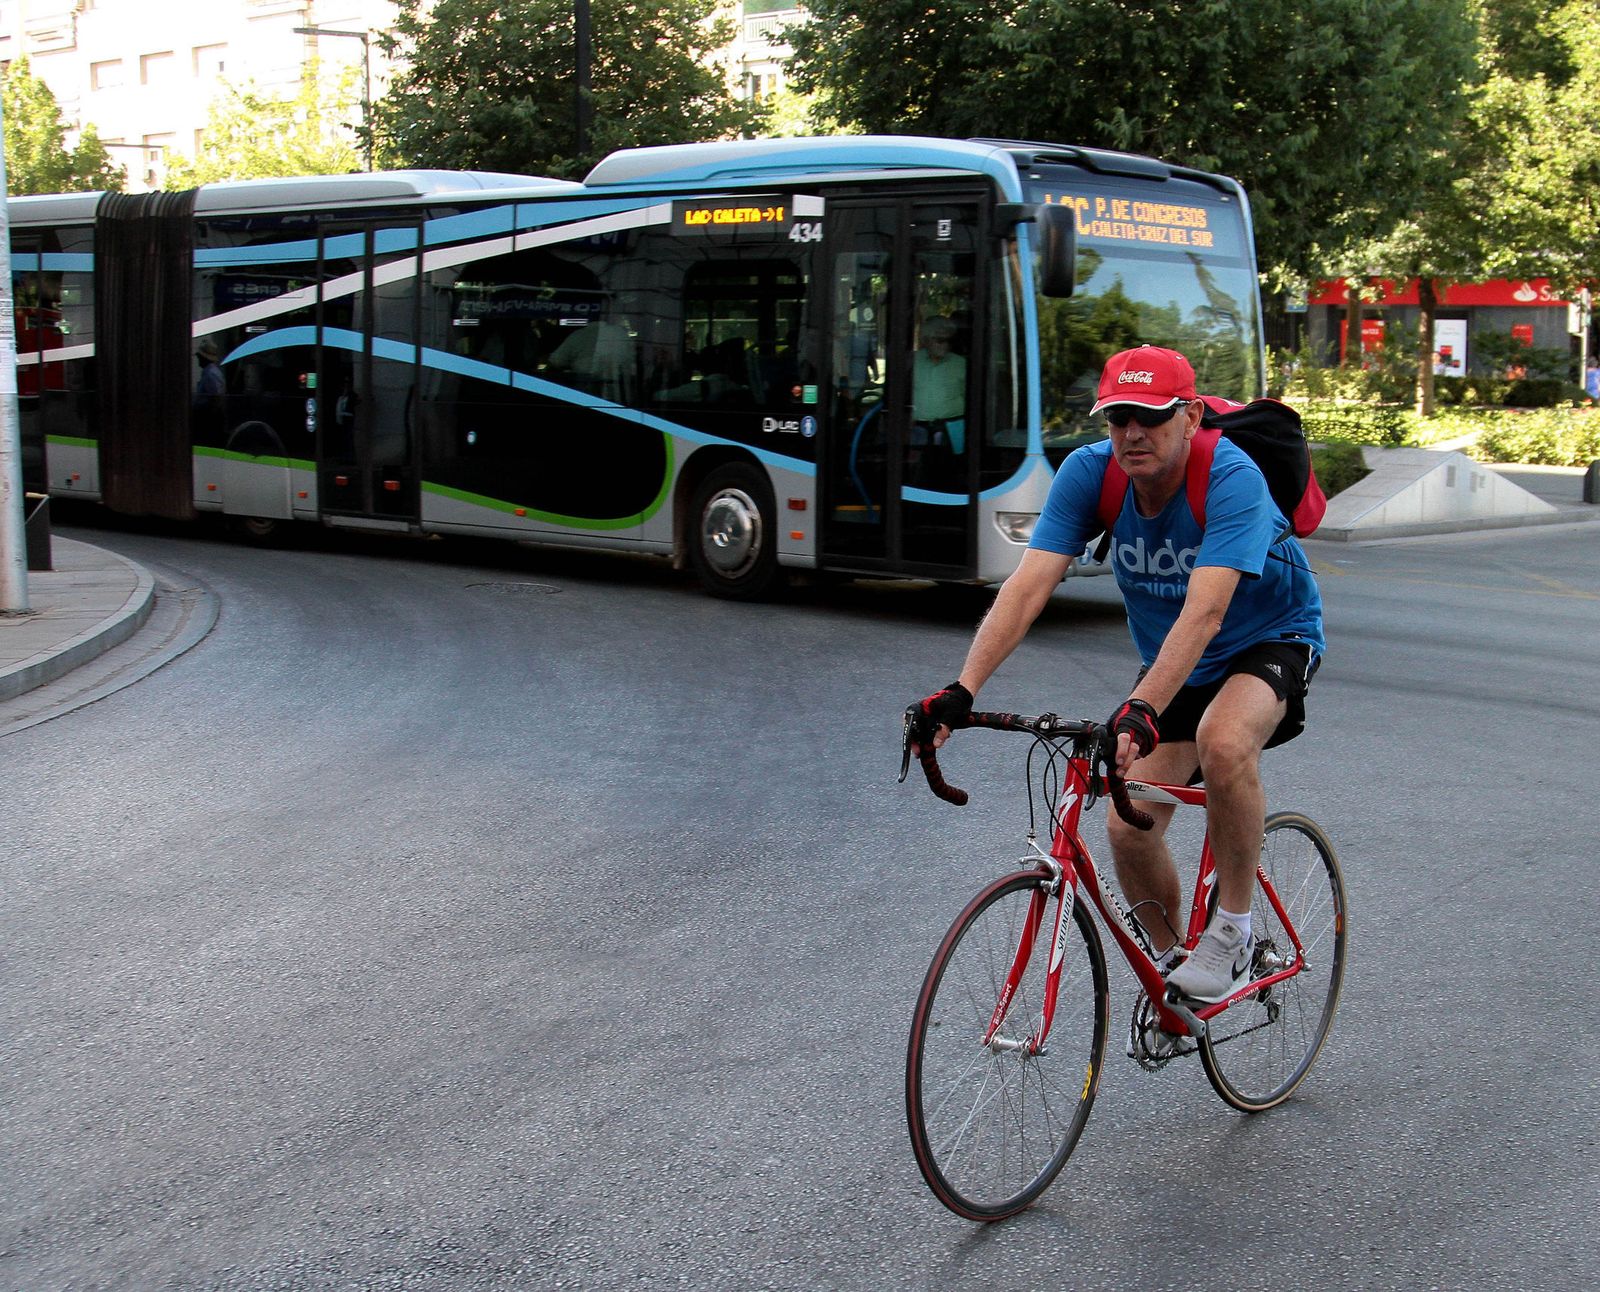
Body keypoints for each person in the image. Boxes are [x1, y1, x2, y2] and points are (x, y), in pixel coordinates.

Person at [910, 345, 1325, 1003]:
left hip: (1267, 639)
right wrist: (962, 690)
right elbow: (1027, 589)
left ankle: (1236, 930)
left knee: (1223, 742)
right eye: (1117, 417)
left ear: (1190, 416)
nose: (1133, 433)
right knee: (1127, 824)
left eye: (1152, 417)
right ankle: (1177, 971)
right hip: (1176, 661)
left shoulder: (1232, 478)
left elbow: (1206, 610)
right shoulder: (1090, 474)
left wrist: (1143, 707)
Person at [910, 316, 968, 485]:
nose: (944, 345)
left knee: (949, 478)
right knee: (918, 478)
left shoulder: (961, 363)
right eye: (939, 340)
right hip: (919, 431)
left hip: (952, 430)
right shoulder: (913, 361)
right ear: (926, 340)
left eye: (948, 340)